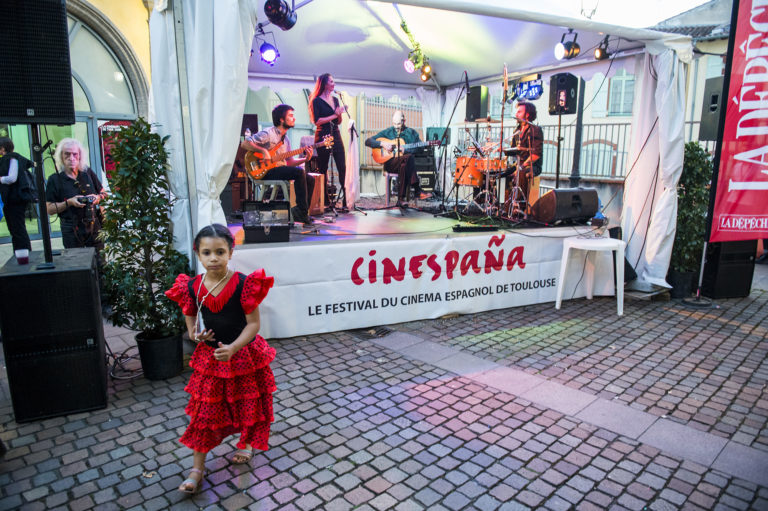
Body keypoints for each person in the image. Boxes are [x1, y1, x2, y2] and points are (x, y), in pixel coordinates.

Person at [165, 224, 276, 494]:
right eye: (206, 253)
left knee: (246, 404)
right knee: (204, 413)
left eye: (220, 252)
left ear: (230, 252)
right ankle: (197, 469)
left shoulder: (244, 284)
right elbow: (190, 314)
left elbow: (253, 324)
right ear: (198, 254)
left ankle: (246, 443)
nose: (213, 258)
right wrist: (194, 334)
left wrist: (234, 348)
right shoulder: (192, 286)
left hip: (243, 355)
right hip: (211, 358)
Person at [240, 104, 314, 225]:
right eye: (290, 115)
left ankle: (299, 212)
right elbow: (245, 144)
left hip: (278, 169)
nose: (294, 118)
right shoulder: (268, 133)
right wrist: (263, 151)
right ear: (281, 119)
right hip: (264, 171)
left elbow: (289, 162)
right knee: (299, 172)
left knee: (310, 179)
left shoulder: (286, 139)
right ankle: (302, 213)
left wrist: (305, 159)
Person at [46, 138, 107, 249]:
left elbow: (104, 195)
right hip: (71, 228)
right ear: (61, 156)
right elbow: (49, 209)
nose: (71, 158)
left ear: (80, 156)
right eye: (67, 154)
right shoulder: (54, 179)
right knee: (76, 258)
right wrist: (69, 202)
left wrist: (97, 198)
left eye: (75, 154)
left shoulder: (87, 173)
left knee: (99, 259)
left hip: (93, 225)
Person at [365, 110, 430, 208]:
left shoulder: (412, 133)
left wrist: (406, 150)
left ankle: (400, 200)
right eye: (394, 123)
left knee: (405, 163)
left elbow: (420, 148)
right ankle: (417, 190)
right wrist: (382, 144)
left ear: (404, 121)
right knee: (409, 158)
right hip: (391, 164)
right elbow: (368, 141)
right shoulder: (388, 132)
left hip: (405, 163)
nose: (396, 126)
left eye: (398, 124)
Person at [308, 73, 348, 211]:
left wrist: (339, 113)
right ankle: (325, 200)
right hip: (322, 134)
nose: (333, 84)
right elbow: (317, 121)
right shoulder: (316, 101)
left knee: (342, 166)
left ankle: (345, 199)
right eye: (331, 81)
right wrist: (334, 115)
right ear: (324, 84)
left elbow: (338, 121)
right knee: (323, 168)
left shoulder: (336, 99)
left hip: (335, 133)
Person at [508, 102, 543, 207]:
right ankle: (503, 204)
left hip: (532, 165)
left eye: (519, 112)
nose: (516, 114)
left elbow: (536, 155)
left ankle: (519, 206)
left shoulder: (535, 130)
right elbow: (513, 150)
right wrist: (502, 149)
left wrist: (521, 167)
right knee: (500, 172)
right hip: (518, 163)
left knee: (521, 172)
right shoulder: (517, 130)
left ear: (527, 114)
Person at [0, 137, 32, 252]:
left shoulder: (12, 158)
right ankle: (19, 253)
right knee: (14, 229)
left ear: (3, 148)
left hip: (15, 200)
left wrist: (0, 179)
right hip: (11, 200)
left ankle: (24, 253)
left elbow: (12, 178)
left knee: (18, 229)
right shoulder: (9, 159)